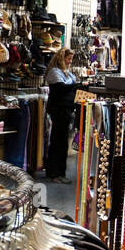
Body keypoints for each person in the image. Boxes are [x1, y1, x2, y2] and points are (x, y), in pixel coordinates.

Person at [44, 48, 77, 183]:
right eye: (68, 59)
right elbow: (60, 89)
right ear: (61, 59)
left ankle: (59, 172)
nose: (69, 62)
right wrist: (77, 86)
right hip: (58, 111)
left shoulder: (66, 74)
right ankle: (54, 173)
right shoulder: (54, 73)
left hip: (66, 110)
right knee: (58, 141)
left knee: (62, 142)